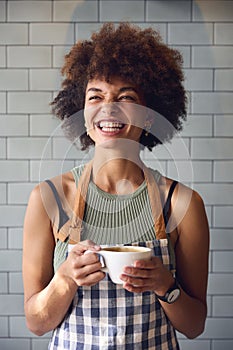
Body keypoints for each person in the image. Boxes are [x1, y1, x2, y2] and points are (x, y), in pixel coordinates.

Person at [23, 23, 209, 349]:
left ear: (149, 116)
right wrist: (65, 278)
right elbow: (36, 323)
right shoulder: (47, 199)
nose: (108, 107)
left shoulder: (183, 204)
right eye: (96, 96)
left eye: (126, 97)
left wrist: (166, 285)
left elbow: (194, 326)